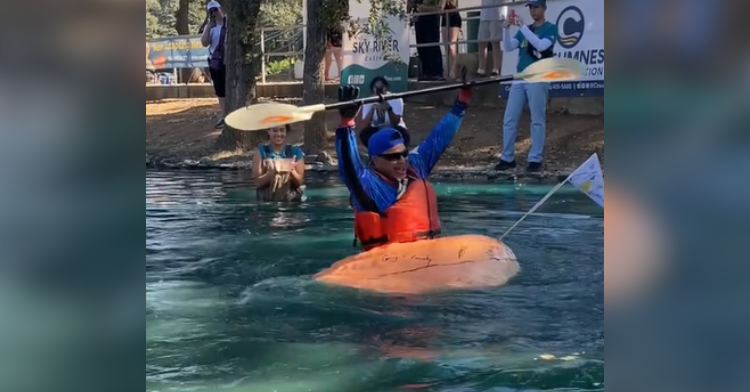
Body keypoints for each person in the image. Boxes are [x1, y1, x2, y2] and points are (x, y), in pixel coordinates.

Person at [334, 83, 472, 251]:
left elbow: (440, 137)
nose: (401, 160)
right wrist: (347, 123)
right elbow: (348, 164)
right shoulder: (366, 183)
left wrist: (461, 103)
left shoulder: (415, 167)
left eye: (403, 154)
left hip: (427, 253)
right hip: (387, 261)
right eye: (392, 157)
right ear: (375, 161)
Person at [496, 0, 557, 172]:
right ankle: (507, 158)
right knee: (509, 119)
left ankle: (535, 159)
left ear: (544, 8)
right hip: (520, 77)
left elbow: (541, 45)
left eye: (536, 6)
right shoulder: (526, 30)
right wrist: (505, 29)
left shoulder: (550, 28)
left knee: (537, 119)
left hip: (538, 77)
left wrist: (522, 27)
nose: (532, 10)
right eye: (530, 7)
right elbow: (507, 47)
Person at [252, 125, 306, 202]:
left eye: (282, 130)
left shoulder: (295, 152)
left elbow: (299, 183)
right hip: (267, 202)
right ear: (268, 131)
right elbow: (257, 183)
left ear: (286, 131)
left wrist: (291, 171)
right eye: (275, 130)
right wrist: (271, 173)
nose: (279, 134)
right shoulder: (261, 152)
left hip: (291, 202)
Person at [201, 1, 228, 129]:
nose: (214, 13)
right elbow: (204, 43)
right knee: (220, 91)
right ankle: (224, 115)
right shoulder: (210, 27)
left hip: (230, 62)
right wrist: (209, 29)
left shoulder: (230, 24)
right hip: (217, 63)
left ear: (220, 9)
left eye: (215, 10)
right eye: (211, 12)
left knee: (232, 88)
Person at [410, 0, 445, 81]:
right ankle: (426, 72)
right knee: (421, 46)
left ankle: (437, 72)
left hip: (431, 18)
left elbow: (439, 8)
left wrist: (423, 8)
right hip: (419, 18)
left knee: (432, 44)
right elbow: (412, 3)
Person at [477, 0, 503, 76]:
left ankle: (496, 69)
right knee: (482, 42)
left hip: (496, 15)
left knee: (495, 42)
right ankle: (481, 68)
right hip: (484, 15)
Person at [441, 0, 462, 80]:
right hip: (444, 17)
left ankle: (452, 71)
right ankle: (450, 69)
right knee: (446, 46)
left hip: (454, 15)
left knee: (452, 45)